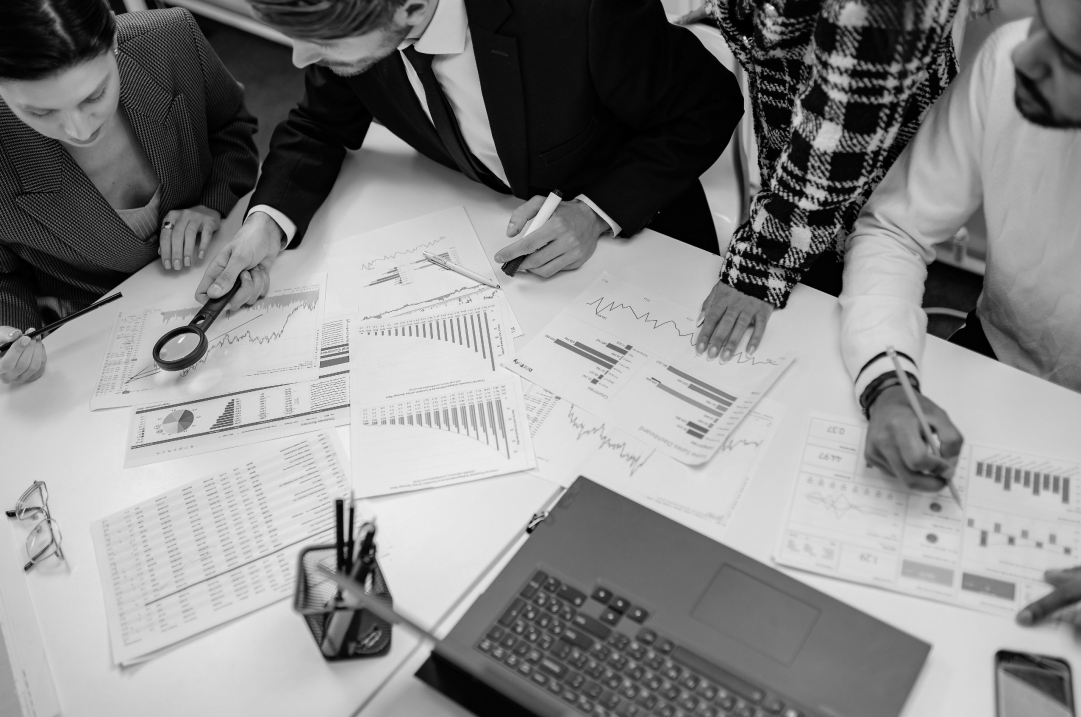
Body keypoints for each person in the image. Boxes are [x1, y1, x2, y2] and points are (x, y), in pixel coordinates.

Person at [194, 0, 743, 310]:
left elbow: (710, 105)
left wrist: (594, 212)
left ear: (409, 8)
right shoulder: (346, 18)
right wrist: (265, 223)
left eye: (322, 46)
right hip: (497, 271)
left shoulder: (577, 11)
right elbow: (317, 121)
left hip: (639, 253)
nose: (297, 59)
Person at [838, 5, 1081, 624]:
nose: (1024, 57)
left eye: (1070, 58)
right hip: (995, 353)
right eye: (1042, 22)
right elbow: (895, 228)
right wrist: (888, 384)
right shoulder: (1009, 59)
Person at [678, 0, 967, 363]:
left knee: (845, 311)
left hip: (865, 149)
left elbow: (841, 132)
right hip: (798, 146)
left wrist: (766, 262)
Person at [0, 2, 259, 385]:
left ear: (115, 41)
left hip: (224, 281)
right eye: (40, 113)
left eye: (93, 96)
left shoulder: (171, 38)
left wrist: (212, 203)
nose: (79, 130)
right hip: (94, 346)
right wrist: (11, 336)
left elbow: (232, 128)